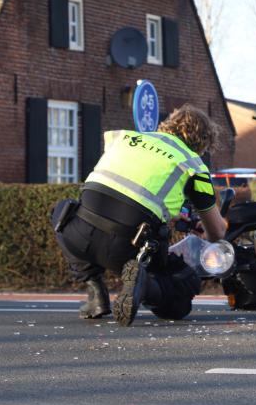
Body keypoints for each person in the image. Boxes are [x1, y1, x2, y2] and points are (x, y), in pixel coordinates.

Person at [51, 104, 227, 326]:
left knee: (62, 211)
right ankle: (145, 286)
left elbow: (124, 189)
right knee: (184, 289)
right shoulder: (193, 164)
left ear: (167, 124)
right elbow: (217, 232)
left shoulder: (123, 138)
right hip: (130, 247)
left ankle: (95, 290)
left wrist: (168, 214)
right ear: (203, 143)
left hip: (80, 234)